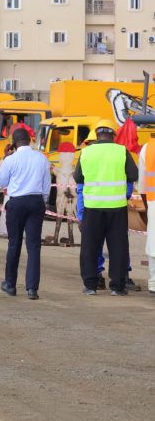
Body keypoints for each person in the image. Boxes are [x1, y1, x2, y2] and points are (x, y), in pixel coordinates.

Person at [75, 121, 137, 296]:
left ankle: (90, 285)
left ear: (96, 134)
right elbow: (133, 174)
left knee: (90, 247)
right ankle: (117, 287)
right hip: (117, 207)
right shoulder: (121, 151)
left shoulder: (86, 152)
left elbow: (78, 177)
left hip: (92, 206)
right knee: (118, 247)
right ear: (113, 135)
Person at [0, 129, 50, 299]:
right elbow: (46, 185)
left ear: (14, 143)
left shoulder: (10, 160)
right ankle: (32, 289)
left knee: (14, 244)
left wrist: (6, 158)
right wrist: (42, 201)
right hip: (36, 201)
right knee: (34, 246)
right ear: (29, 140)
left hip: (17, 203)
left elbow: (1, 182)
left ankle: (10, 284)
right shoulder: (41, 158)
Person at [50, 141, 77, 246]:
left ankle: (59, 238)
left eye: (61, 154)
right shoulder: (73, 171)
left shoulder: (60, 171)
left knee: (63, 215)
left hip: (65, 198)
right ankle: (68, 238)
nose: (60, 157)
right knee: (67, 216)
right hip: (68, 198)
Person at [137, 138, 155, 295]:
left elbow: (142, 186)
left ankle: (154, 282)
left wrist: (147, 206)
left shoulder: (148, 148)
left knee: (153, 242)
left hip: (153, 202)